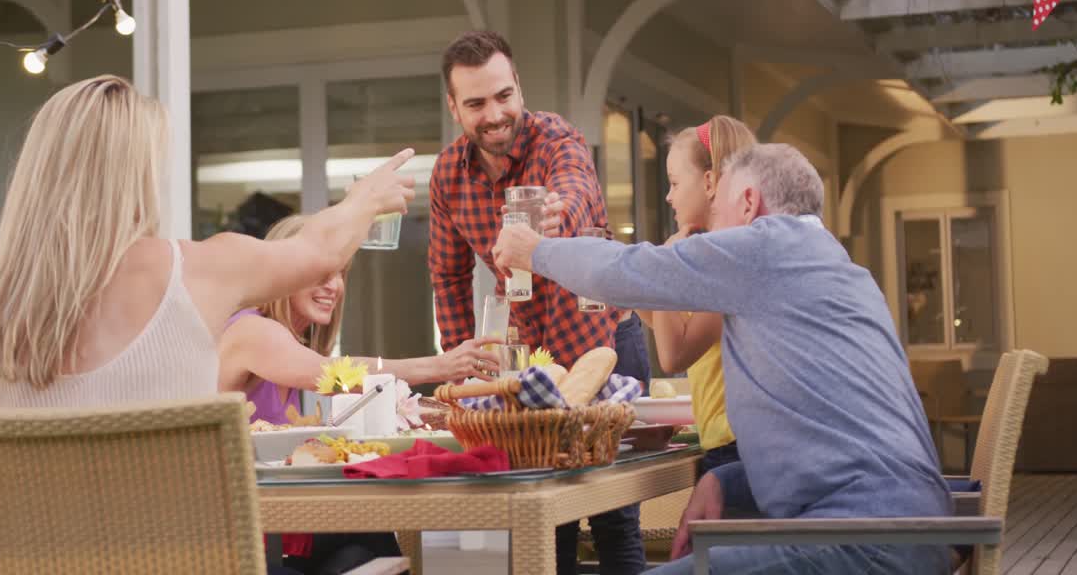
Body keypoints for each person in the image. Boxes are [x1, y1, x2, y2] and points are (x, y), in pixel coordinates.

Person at [494, 144, 951, 575]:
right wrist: (727, 482)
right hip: (912, 533)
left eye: (718, 211)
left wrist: (535, 251)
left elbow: (630, 271)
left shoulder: (765, 247)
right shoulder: (844, 271)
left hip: (860, 544)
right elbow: (830, 441)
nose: (711, 228)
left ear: (749, 203)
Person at [0, 74, 416, 410]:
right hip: (182, 543)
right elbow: (320, 254)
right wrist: (365, 200)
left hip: (34, 545)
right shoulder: (197, 272)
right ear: (136, 176)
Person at [428, 30, 648, 575]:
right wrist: (468, 366)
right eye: (477, 103)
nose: (495, 114)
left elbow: (575, 189)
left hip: (604, 344)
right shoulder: (447, 176)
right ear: (454, 107)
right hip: (532, 365)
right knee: (547, 521)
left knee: (615, 518)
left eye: (504, 96)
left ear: (518, 87)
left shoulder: (557, 139)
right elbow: (448, 276)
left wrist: (553, 223)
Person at [218, 214, 503, 418]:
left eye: (339, 274)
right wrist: (440, 366)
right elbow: (331, 375)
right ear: (282, 273)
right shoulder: (253, 330)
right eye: (319, 274)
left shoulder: (291, 346)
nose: (333, 286)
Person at [636, 116, 755, 476]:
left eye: (674, 183)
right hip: (729, 443)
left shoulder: (731, 260)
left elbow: (674, 355)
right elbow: (681, 327)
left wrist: (667, 267)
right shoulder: (723, 252)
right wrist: (626, 293)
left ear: (709, 182)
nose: (669, 196)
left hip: (736, 449)